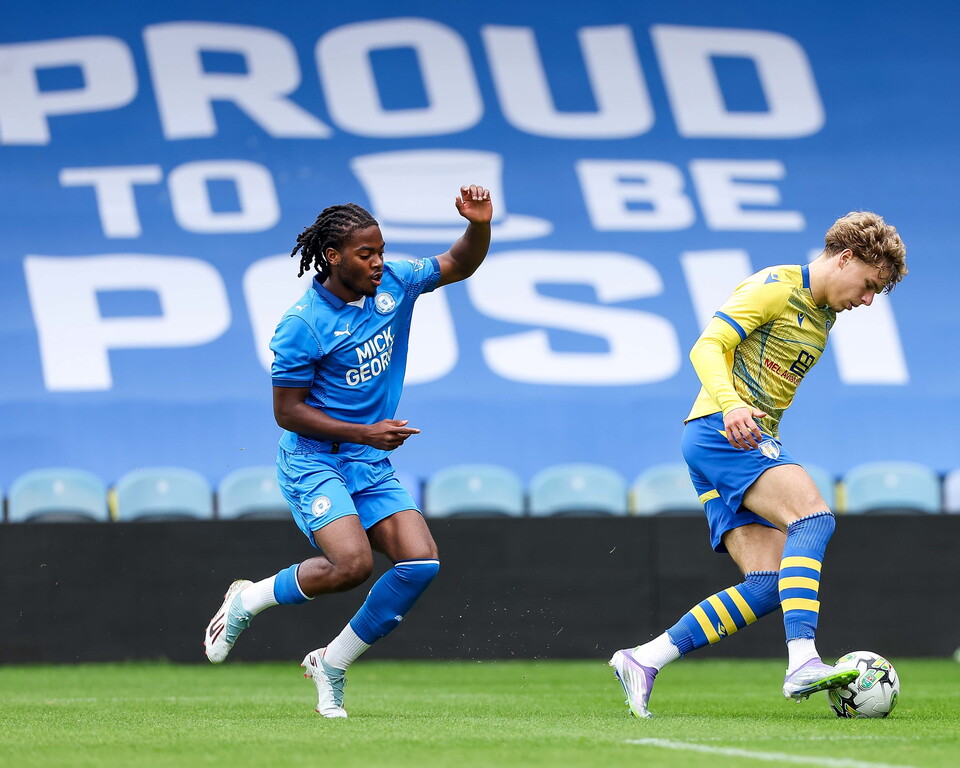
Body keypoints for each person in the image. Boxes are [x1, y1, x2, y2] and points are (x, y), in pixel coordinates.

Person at [204, 184, 493, 718]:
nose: (379, 262)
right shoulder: (302, 324)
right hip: (314, 459)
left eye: (381, 251)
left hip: (367, 459)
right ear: (333, 257)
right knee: (352, 564)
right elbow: (286, 412)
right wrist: (365, 432)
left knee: (421, 563)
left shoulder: (397, 284)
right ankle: (247, 601)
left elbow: (459, 262)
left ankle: (330, 664)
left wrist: (478, 225)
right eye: (366, 254)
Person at [610, 211, 908, 718]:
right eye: (868, 285)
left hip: (725, 439)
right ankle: (803, 662)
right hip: (719, 431)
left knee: (768, 584)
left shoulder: (825, 316)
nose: (866, 300)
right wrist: (730, 404)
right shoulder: (774, 286)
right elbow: (707, 346)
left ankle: (643, 659)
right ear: (845, 258)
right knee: (813, 517)